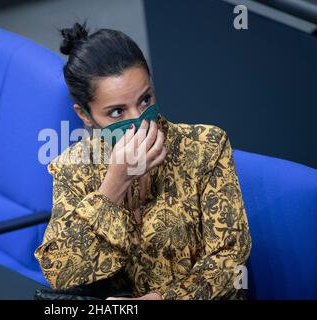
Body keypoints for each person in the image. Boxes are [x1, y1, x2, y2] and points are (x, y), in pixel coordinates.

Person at [34, 21, 251, 300]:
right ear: (85, 116)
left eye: (145, 100)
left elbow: (230, 260)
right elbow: (61, 273)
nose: (138, 121)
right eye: (116, 113)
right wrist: (112, 188)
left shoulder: (205, 146)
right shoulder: (74, 168)